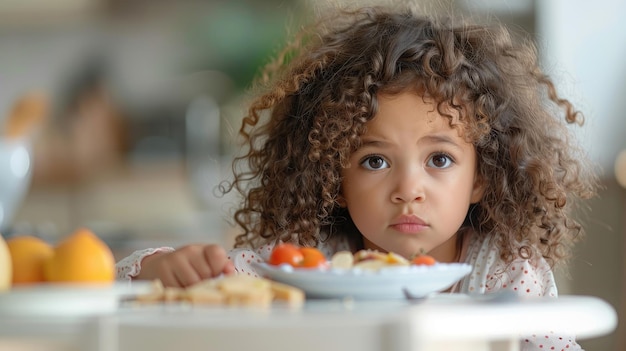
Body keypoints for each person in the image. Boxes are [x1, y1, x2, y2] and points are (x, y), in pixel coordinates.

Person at [116, 3, 598, 350]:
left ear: (481, 178)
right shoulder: (312, 264)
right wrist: (163, 268)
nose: (408, 189)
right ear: (334, 178)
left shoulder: (507, 272)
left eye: (440, 160)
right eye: (374, 161)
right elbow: (120, 281)